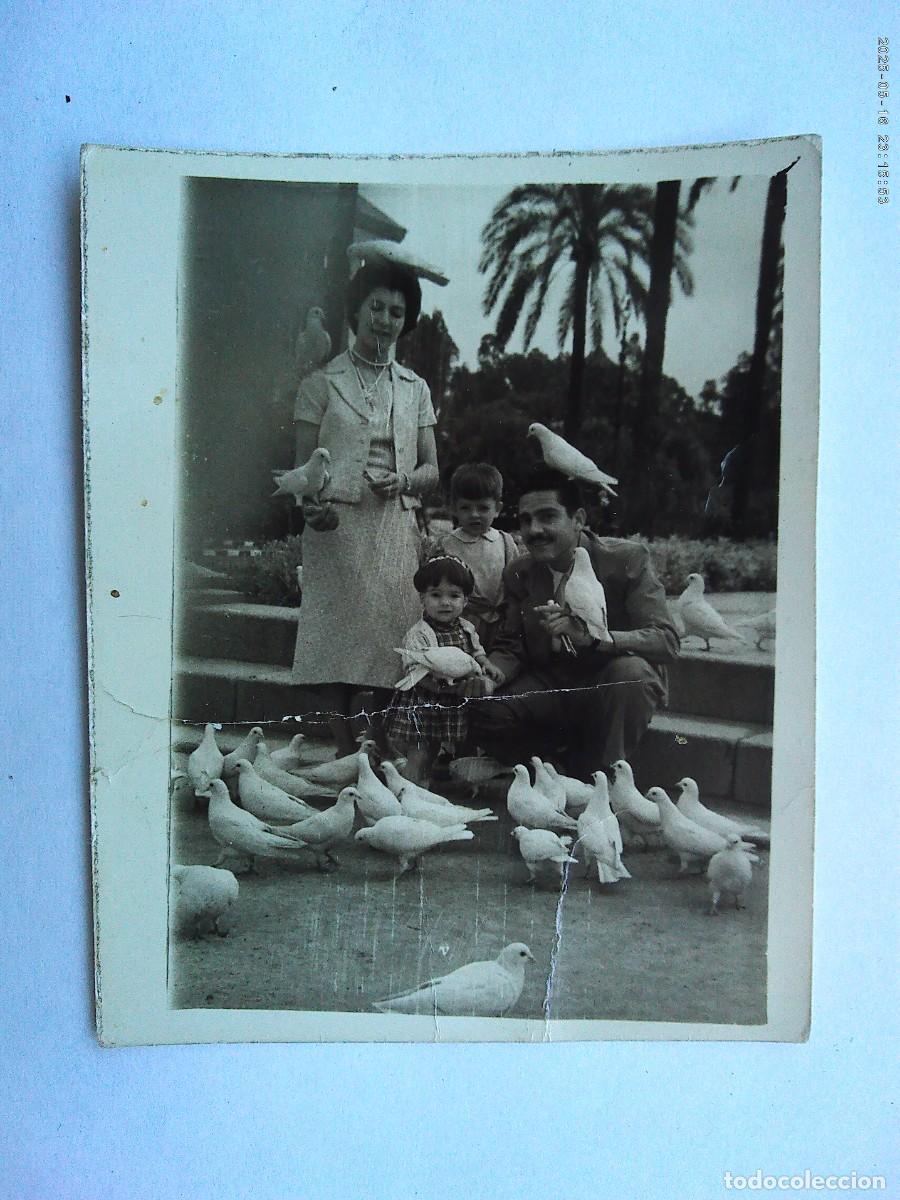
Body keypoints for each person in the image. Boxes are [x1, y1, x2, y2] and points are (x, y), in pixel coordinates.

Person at [291, 257, 440, 755]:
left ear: (407, 321)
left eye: (397, 312)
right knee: (333, 637)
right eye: (376, 307)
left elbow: (431, 470)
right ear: (356, 311)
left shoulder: (416, 389)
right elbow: (303, 472)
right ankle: (342, 746)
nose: (385, 319)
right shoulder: (320, 383)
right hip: (336, 528)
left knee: (387, 638)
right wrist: (312, 507)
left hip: (393, 528)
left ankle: (372, 743)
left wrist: (402, 481)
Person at [470, 466, 680, 775]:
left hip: (611, 679)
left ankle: (604, 780)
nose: (534, 530)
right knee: (485, 707)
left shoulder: (626, 559)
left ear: (578, 519)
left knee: (632, 673)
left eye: (547, 517)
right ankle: (557, 770)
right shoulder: (520, 572)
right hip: (553, 684)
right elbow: (512, 645)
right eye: (526, 520)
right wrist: (491, 673)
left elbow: (666, 640)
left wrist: (599, 639)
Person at [384, 555, 505, 785]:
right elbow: (414, 671)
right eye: (436, 595)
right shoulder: (419, 633)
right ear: (422, 599)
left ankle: (448, 781)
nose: (445, 603)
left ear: (465, 601)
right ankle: (411, 786)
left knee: (452, 744)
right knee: (422, 748)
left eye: (454, 596)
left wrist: (487, 664)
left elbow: (476, 652)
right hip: (425, 700)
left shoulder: (466, 628)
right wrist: (442, 689)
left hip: (453, 700)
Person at [426, 462, 520, 649]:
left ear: (498, 508)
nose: (474, 515)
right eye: (465, 508)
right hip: (461, 621)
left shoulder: (505, 542)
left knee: (498, 657)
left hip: (500, 621)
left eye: (483, 508)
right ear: (453, 508)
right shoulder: (446, 545)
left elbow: (516, 582)